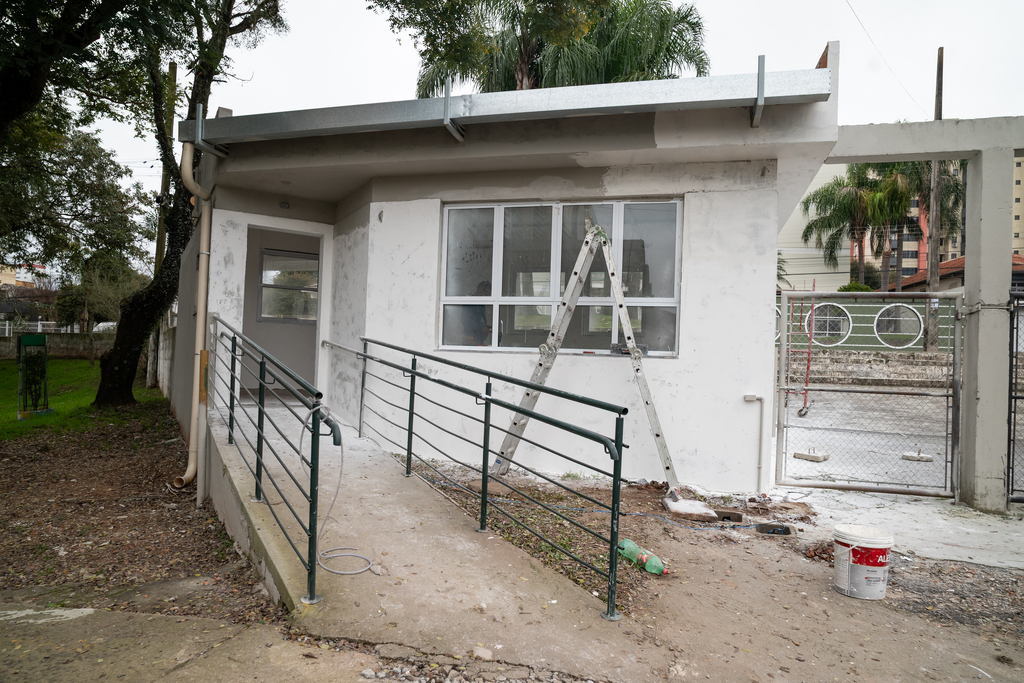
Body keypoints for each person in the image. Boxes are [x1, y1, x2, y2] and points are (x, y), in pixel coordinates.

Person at [463, 280, 492, 345]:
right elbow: (465, 321)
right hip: (470, 339)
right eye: (486, 293)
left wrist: (487, 327)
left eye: (488, 294)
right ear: (479, 289)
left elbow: (481, 321)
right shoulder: (469, 302)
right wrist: (481, 327)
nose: (486, 296)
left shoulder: (482, 305)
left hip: (479, 339)